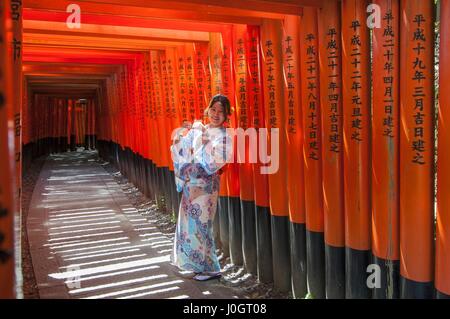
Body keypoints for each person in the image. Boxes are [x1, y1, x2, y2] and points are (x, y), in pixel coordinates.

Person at [170, 94, 233, 281]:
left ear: (227, 115)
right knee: (189, 224)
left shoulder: (225, 137)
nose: (216, 114)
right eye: (213, 109)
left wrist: (204, 140)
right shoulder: (200, 129)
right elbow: (182, 148)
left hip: (206, 188)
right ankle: (197, 265)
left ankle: (210, 268)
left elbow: (213, 164)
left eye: (221, 111)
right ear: (208, 110)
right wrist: (180, 140)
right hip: (191, 184)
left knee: (202, 225)